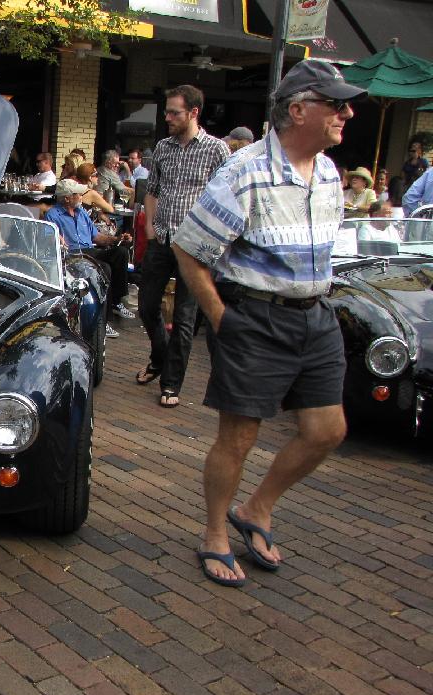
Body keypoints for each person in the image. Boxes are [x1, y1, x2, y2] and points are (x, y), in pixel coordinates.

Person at [172, 59, 365, 587]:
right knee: (238, 439)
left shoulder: (329, 172)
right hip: (255, 318)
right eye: (336, 104)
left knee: (328, 431)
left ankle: (257, 507)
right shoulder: (245, 172)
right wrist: (221, 318)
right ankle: (214, 533)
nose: (347, 113)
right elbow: (189, 249)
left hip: (316, 316)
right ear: (299, 110)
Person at [138, 84, 230, 408]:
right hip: (162, 238)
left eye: (174, 112)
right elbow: (152, 190)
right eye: (166, 112)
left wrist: (213, 239)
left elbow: (226, 199)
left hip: (195, 246)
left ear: (193, 113)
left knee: (185, 317)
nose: (167, 118)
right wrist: (149, 226)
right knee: (146, 306)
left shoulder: (217, 150)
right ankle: (160, 356)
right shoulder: (163, 147)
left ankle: (171, 382)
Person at [45, 178, 133, 338]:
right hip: (72, 255)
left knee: (121, 253)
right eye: (78, 194)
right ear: (67, 198)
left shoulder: (81, 213)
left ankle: (116, 301)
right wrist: (57, 238)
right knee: (104, 268)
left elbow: (97, 237)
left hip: (90, 250)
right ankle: (103, 320)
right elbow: (50, 239)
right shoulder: (53, 215)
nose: (81, 197)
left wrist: (117, 239)